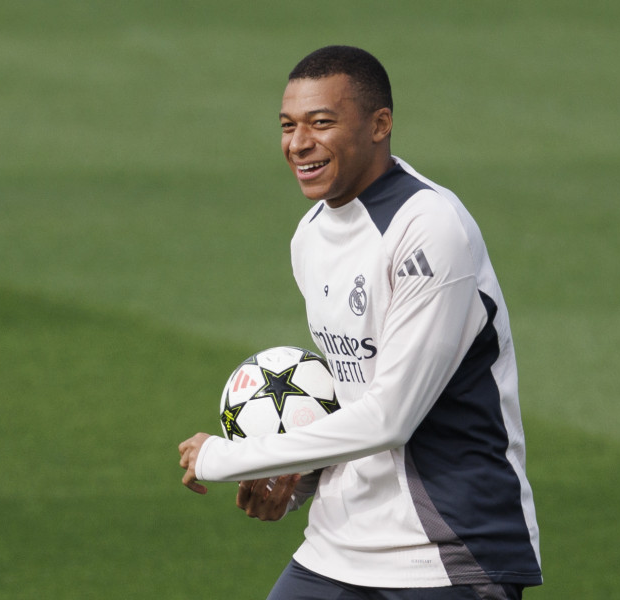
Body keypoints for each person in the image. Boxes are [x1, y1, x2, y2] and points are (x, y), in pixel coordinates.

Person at [179, 45, 542, 600]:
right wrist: (297, 482)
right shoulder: (311, 235)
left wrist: (226, 456)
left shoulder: (428, 228)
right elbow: (355, 393)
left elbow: (391, 416)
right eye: (288, 126)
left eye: (321, 123)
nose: (299, 143)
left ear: (380, 124)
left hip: (446, 553)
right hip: (337, 546)